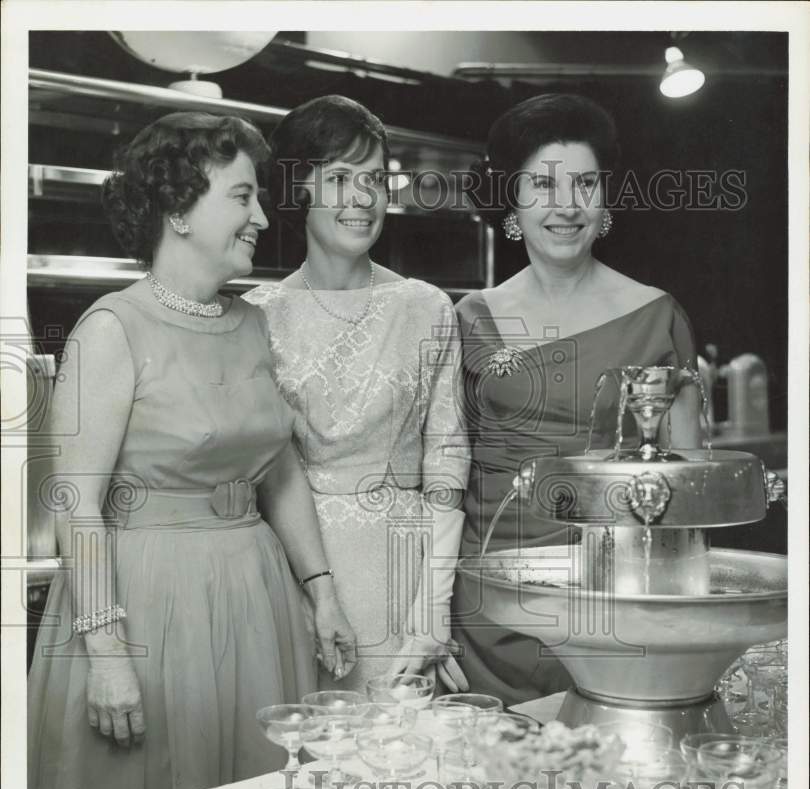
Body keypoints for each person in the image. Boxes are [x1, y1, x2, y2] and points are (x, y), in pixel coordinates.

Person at [27, 112, 357, 789]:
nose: (264, 219)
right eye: (242, 198)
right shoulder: (112, 330)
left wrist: (322, 593)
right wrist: (108, 655)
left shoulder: (251, 323)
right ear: (178, 209)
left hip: (255, 599)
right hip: (147, 606)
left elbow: (280, 469)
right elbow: (76, 509)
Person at [451, 93, 702, 706]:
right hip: (489, 611)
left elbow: (690, 496)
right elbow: (446, 479)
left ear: (606, 197)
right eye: (543, 184)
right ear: (513, 198)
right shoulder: (468, 318)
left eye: (584, 183)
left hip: (615, 605)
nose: (566, 206)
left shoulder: (656, 315)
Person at [244, 95, 470, 695]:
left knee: (400, 766)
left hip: (405, 573)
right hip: (297, 575)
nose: (363, 198)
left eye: (374, 179)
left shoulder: (426, 307)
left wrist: (432, 612)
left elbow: (448, 463)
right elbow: (261, 475)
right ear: (301, 191)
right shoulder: (258, 317)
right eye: (340, 178)